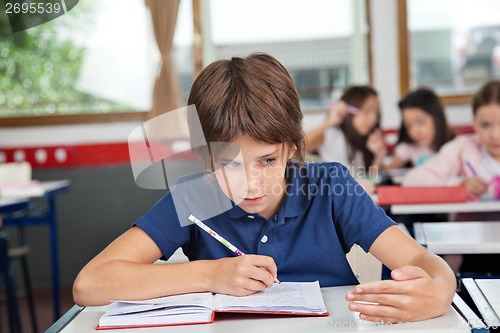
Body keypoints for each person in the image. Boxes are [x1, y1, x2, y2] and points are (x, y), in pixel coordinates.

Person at [73, 53, 455, 323]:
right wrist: (211, 275)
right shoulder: (195, 196)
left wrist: (439, 291)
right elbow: (90, 284)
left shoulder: (331, 185)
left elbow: (423, 263)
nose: (251, 182)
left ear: (291, 147)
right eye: (227, 164)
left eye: (267, 160)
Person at [402, 80, 500, 274]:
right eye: (485, 125)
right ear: (474, 123)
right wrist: (458, 185)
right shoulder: (463, 147)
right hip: (471, 253)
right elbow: (411, 180)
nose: (495, 134)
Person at [305, 86, 386, 175]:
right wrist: (329, 122)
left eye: (376, 113)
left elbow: (368, 181)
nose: (373, 119)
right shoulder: (332, 133)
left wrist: (379, 156)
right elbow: (297, 147)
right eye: (367, 111)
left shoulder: (361, 143)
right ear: (349, 110)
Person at [385, 87, 455, 171]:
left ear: (437, 118)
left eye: (420, 122)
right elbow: (387, 172)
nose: (414, 131)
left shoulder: (455, 146)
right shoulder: (408, 148)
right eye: (408, 126)